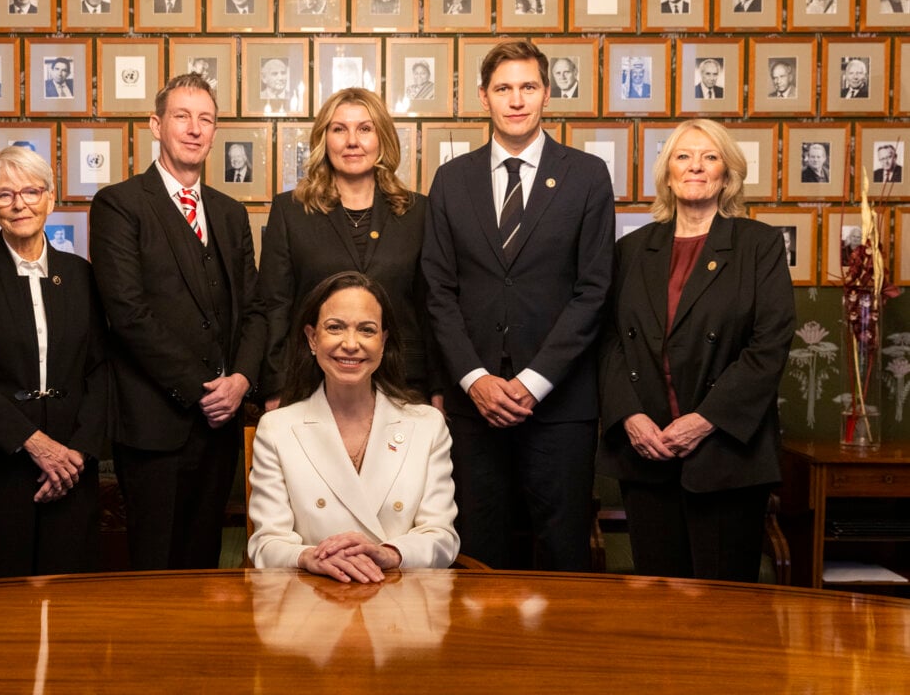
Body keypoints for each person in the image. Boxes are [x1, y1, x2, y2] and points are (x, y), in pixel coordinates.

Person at [422, 39, 615, 570]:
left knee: (562, 552)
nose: (516, 99)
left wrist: (532, 383)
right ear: (483, 97)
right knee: (478, 554)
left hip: (559, 407)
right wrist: (474, 379)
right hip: (473, 407)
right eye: (503, 88)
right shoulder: (451, 180)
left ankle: (560, 656)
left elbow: (593, 290)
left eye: (528, 87)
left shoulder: (587, 176)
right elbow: (437, 291)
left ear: (547, 94)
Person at [596, 118, 795, 583]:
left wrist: (705, 421)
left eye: (709, 157)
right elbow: (606, 341)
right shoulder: (631, 250)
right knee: (657, 607)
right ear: (667, 174)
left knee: (722, 613)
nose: (696, 167)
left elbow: (768, 347)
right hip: (646, 451)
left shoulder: (759, 245)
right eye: (683, 157)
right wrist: (630, 417)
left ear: (727, 174)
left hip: (726, 455)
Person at [89, 72, 266, 571]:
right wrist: (206, 388)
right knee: (156, 569)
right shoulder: (119, 205)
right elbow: (128, 313)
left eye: (205, 119)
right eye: (182, 117)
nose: (194, 129)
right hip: (154, 425)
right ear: (156, 125)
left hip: (220, 426)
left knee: (204, 564)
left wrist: (242, 382)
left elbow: (253, 308)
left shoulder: (230, 214)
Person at [0, 146, 108, 582]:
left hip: (69, 470)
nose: (19, 204)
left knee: (69, 613)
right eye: (5, 194)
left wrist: (76, 457)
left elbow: (100, 371)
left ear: (51, 197)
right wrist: (34, 443)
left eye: (31, 191)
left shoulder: (83, 275)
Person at [247, 271, 459, 581]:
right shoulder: (276, 429)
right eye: (335, 327)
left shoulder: (427, 426)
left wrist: (388, 554)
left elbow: (442, 536)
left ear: (383, 341)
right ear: (312, 338)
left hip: (402, 608)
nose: (350, 344)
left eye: (366, 330)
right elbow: (266, 543)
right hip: (311, 606)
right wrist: (308, 557)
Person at [256, 87, 443, 411]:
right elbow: (275, 306)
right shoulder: (291, 211)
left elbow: (431, 307)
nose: (352, 141)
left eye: (365, 129)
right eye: (339, 129)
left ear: (381, 137)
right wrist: (276, 387)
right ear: (323, 139)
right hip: (309, 387)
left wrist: (439, 388)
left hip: (403, 386)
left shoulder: (418, 212)